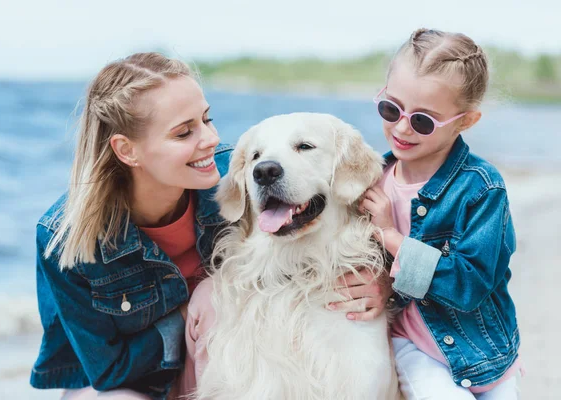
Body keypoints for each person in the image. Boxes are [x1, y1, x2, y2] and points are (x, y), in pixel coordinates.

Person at [31, 52, 390, 400]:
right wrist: (189, 314)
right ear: (127, 151)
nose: (210, 140)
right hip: (131, 384)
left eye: (207, 119)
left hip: (213, 364)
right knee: (213, 297)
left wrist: (386, 280)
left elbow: (372, 186)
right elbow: (108, 371)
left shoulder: (229, 174)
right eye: (184, 132)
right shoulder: (64, 239)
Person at [360, 29, 522, 399]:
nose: (401, 127)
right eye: (391, 108)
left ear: (465, 121)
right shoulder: (371, 182)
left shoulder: (482, 189)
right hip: (415, 346)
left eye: (423, 121)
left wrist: (392, 237)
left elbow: (470, 286)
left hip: (485, 351)